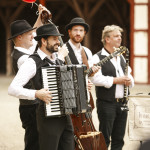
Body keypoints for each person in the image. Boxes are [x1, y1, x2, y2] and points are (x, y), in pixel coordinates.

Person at [8, 23, 74, 150]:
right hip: (47, 117)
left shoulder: (57, 58)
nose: (58, 42)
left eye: (58, 39)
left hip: (65, 116)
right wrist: (36, 93)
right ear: (44, 41)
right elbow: (12, 89)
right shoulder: (32, 62)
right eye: (54, 39)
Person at [8, 4, 47, 150]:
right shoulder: (23, 59)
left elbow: (34, 32)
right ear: (19, 37)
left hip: (32, 105)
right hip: (31, 107)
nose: (33, 36)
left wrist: (40, 16)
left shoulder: (25, 49)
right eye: (29, 34)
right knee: (33, 143)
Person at [90, 25, 134, 150]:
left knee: (119, 139)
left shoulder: (120, 56)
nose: (119, 38)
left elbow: (129, 75)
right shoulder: (97, 57)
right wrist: (116, 80)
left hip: (122, 103)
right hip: (107, 104)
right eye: (116, 36)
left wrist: (129, 80)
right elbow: (94, 79)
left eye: (120, 36)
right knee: (104, 138)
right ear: (107, 39)